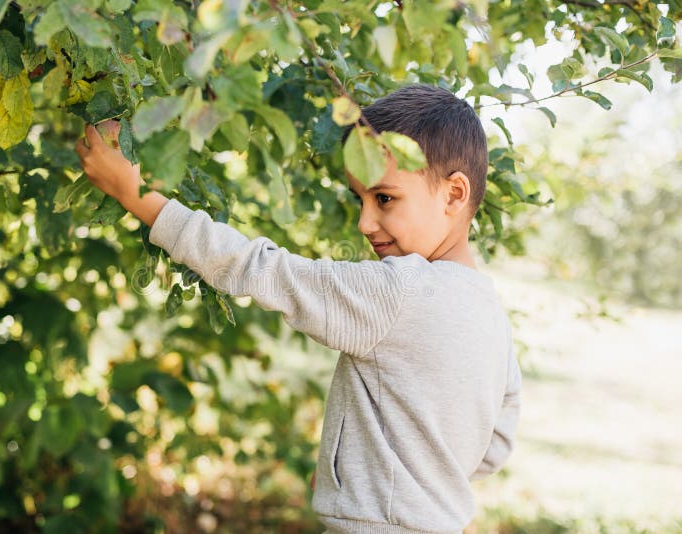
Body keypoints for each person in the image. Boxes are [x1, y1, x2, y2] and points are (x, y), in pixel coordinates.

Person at [75, 83, 522, 534]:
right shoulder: (491, 315)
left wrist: (137, 196)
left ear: (453, 194)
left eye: (384, 198)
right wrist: (376, 475)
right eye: (360, 199)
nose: (366, 222)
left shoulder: (397, 291)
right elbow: (494, 445)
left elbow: (260, 268)